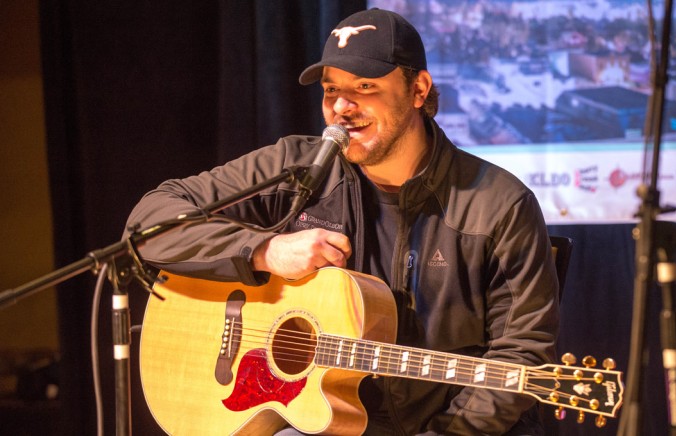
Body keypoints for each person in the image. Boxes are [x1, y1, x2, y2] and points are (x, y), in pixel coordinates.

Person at [126, 8, 559, 435]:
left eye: (365, 87)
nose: (341, 108)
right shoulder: (297, 169)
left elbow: (522, 353)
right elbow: (150, 224)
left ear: (418, 90)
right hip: (323, 420)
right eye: (331, 90)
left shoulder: (500, 203)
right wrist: (264, 252)